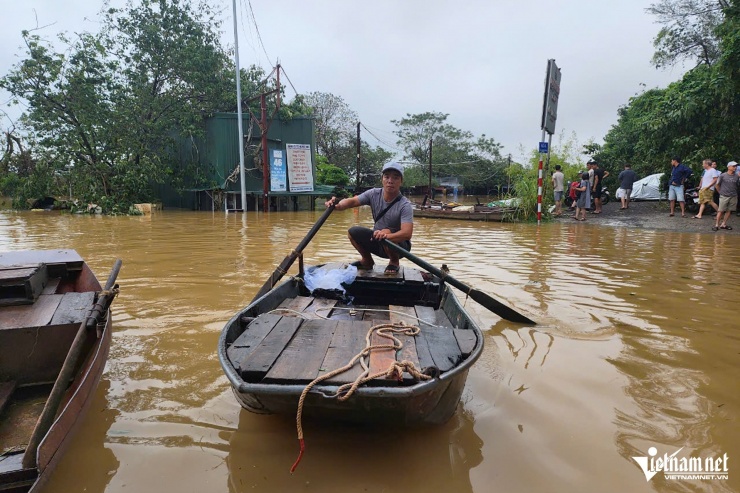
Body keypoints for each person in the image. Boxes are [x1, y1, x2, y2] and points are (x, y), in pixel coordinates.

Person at [325, 161, 413, 273]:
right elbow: (352, 201)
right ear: (382, 179)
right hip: (378, 240)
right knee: (353, 232)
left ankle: (394, 262)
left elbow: (407, 233)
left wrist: (387, 235)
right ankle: (367, 261)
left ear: (401, 181)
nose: (390, 181)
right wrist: (337, 205)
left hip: (399, 247)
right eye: (387, 177)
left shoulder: (405, 205)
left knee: (386, 231)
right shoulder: (373, 194)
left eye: (395, 178)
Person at [712, 161, 739, 231]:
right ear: (728, 167)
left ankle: (723, 224)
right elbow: (717, 184)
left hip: (733, 195)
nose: (735, 167)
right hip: (724, 195)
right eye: (733, 166)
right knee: (720, 210)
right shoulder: (723, 175)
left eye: (735, 166)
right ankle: (716, 225)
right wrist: (720, 192)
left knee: (729, 210)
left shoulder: (737, 176)